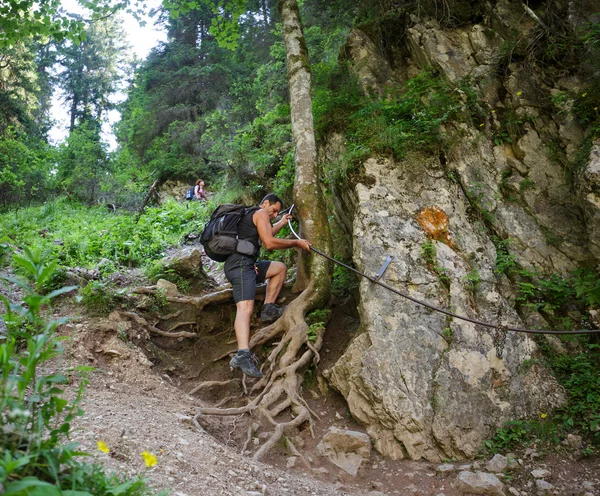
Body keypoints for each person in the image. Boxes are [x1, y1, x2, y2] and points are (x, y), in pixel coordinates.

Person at [226, 193, 311, 378]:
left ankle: (268, 309)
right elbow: (269, 243)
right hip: (240, 266)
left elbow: (268, 233)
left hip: (248, 265)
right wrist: (296, 242)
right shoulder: (260, 213)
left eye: (276, 213)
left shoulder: (255, 216)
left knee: (279, 268)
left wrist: (281, 222)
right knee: (245, 308)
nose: (273, 215)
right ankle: (242, 355)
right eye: (273, 210)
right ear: (265, 203)